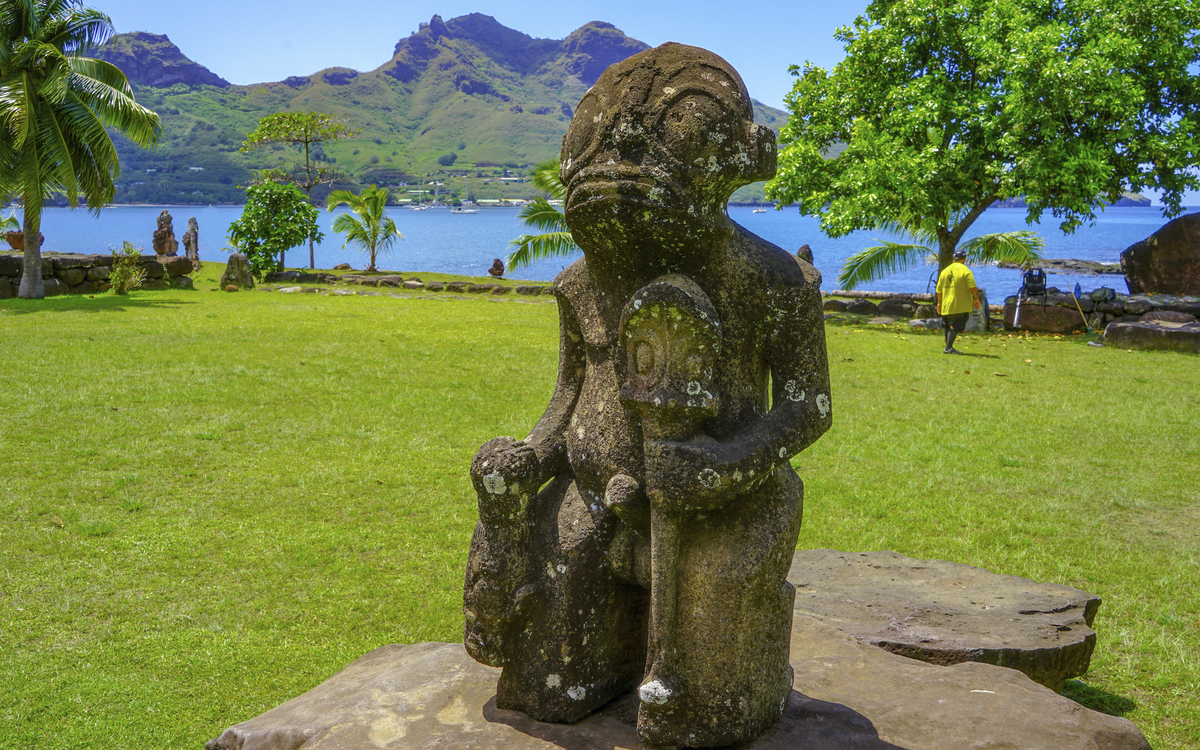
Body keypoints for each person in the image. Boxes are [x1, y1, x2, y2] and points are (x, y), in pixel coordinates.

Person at [936, 250, 980, 354]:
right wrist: (976, 298)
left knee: (947, 325)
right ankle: (948, 348)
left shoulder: (944, 271)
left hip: (947, 305)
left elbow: (939, 290)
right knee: (955, 326)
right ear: (964, 259)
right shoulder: (966, 271)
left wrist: (939, 303)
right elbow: (972, 287)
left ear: (953, 258)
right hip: (960, 305)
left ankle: (949, 347)